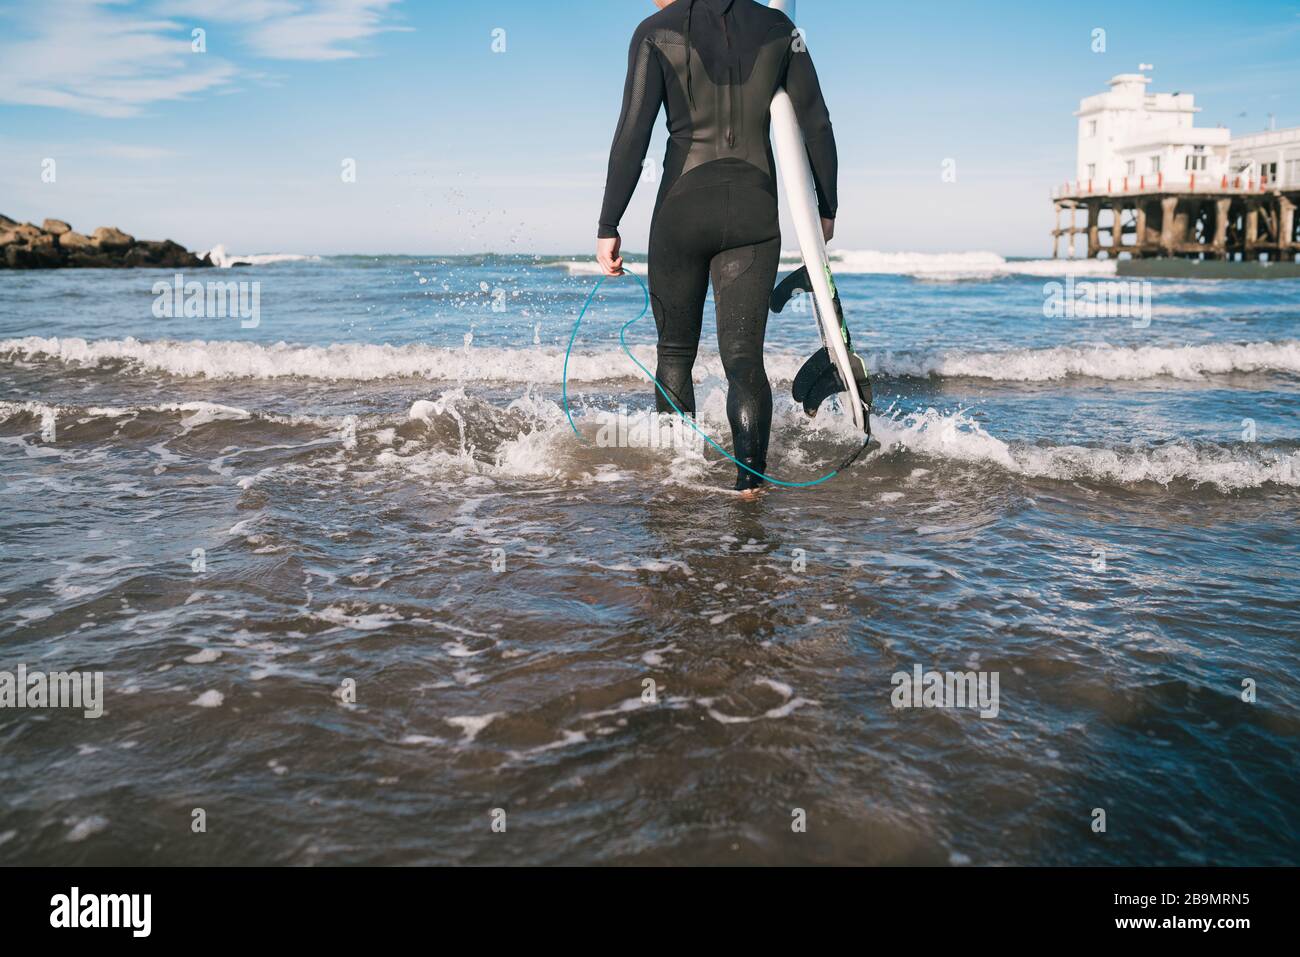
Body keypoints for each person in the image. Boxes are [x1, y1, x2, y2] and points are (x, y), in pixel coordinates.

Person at [596, 0, 838, 493]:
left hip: (680, 212)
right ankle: (750, 487)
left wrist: (609, 221)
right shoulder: (780, 27)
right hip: (753, 211)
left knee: (674, 354)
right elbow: (817, 124)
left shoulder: (653, 32)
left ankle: (677, 481)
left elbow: (632, 134)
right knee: (744, 359)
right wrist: (825, 207)